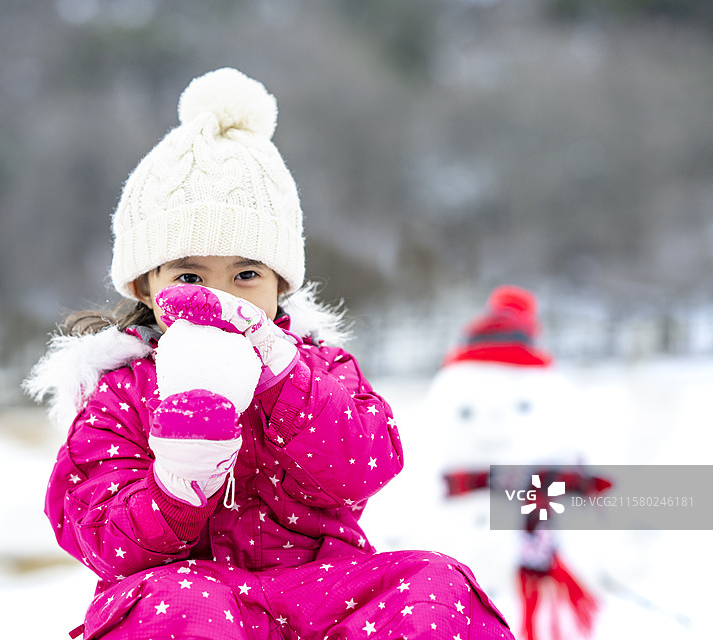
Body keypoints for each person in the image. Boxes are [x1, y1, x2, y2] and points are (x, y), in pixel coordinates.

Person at [25, 67, 512, 640]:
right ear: (143, 285)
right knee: (176, 604)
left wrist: (283, 377)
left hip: (322, 590)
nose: (220, 296)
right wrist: (178, 484)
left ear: (281, 284)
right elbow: (97, 532)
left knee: (435, 584)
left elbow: (365, 466)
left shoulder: (318, 368)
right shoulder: (121, 393)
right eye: (189, 273)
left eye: (246, 274)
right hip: (188, 593)